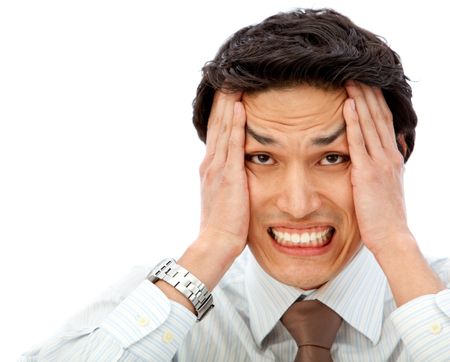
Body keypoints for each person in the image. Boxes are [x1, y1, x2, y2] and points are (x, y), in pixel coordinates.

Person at [20, 8, 450, 361]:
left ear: (395, 157)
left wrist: (395, 243)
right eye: (261, 158)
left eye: (334, 158)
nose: (298, 204)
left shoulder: (438, 293)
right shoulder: (159, 305)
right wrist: (213, 245)